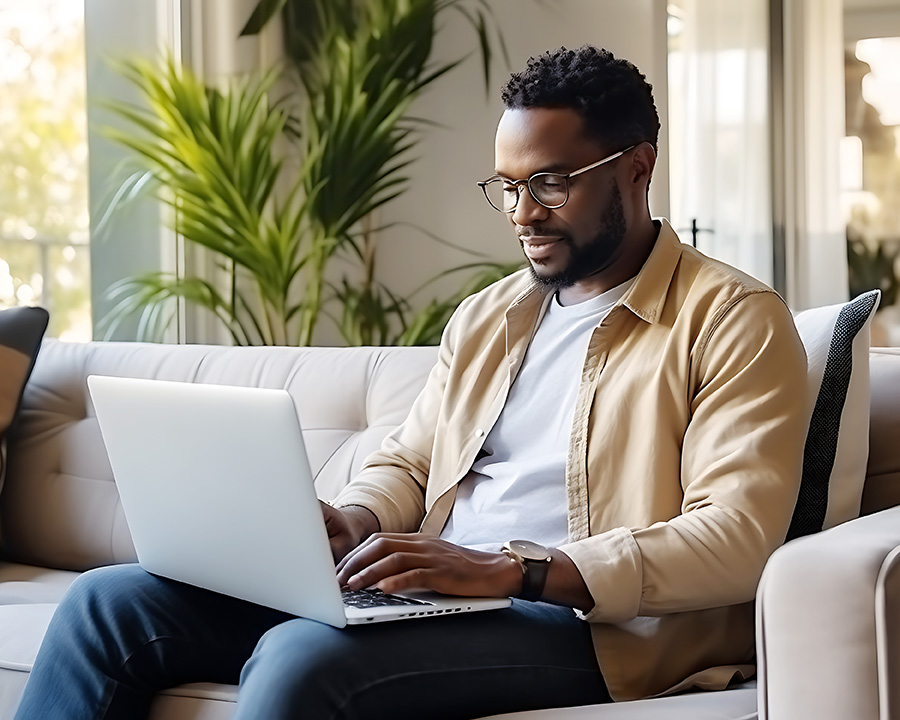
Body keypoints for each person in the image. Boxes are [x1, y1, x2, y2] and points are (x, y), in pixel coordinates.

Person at [14, 45, 808, 720]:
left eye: (551, 183)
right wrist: (355, 518)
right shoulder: (490, 317)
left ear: (638, 168)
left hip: (594, 628)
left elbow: (736, 538)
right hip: (444, 594)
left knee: (302, 658)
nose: (522, 213)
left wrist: (514, 569)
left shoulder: (732, 317)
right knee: (108, 605)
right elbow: (413, 460)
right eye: (507, 185)